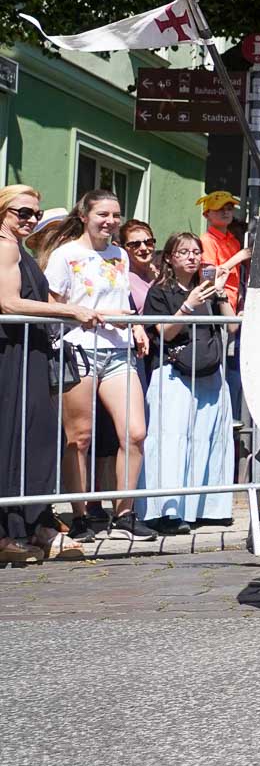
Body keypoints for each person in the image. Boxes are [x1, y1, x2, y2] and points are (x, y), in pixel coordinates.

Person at [40, 190, 154, 541]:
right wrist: (96, 316)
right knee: (80, 437)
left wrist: (134, 324)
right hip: (78, 349)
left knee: (135, 432)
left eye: (116, 215)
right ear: (85, 215)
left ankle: (125, 513)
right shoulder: (65, 255)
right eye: (103, 214)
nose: (111, 221)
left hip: (118, 352)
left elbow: (123, 301)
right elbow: (51, 306)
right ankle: (80, 515)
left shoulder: (119, 254)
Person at [0, 186, 94, 564]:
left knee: (34, 437)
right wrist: (69, 311)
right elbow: (7, 301)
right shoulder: (5, 246)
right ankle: (16, 530)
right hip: (14, 352)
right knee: (22, 437)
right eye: (22, 212)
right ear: (4, 211)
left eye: (35, 214)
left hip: (27, 351)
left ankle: (35, 525)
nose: (30, 220)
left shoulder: (17, 247)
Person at [138, 232, 235, 533]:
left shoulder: (205, 290)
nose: (192, 257)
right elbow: (164, 333)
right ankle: (166, 509)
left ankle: (207, 507)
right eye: (184, 252)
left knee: (208, 437)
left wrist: (219, 294)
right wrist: (188, 306)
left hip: (208, 370)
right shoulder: (160, 291)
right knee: (172, 439)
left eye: (196, 251)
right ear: (169, 258)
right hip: (174, 371)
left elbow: (230, 326)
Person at [195, 191, 250, 305]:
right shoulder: (206, 240)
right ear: (206, 214)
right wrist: (237, 258)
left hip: (232, 304)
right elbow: (207, 278)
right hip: (215, 302)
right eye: (219, 208)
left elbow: (237, 278)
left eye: (229, 208)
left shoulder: (234, 241)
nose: (225, 212)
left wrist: (240, 304)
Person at [118, 219, 159, 312]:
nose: (144, 248)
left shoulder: (162, 277)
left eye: (149, 242)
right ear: (124, 248)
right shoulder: (121, 279)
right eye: (135, 245)